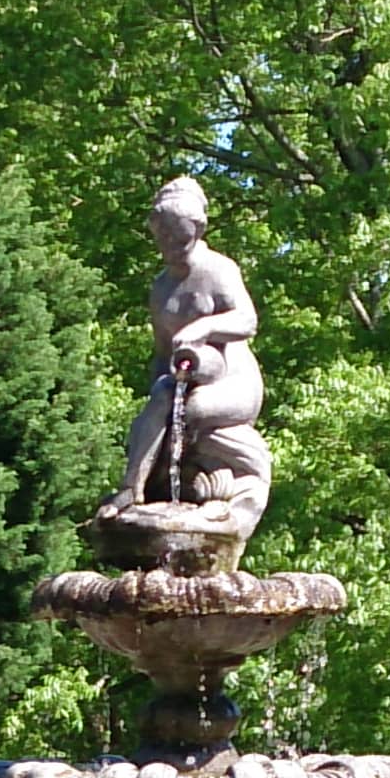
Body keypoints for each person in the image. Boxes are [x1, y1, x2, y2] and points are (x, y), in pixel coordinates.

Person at [120, 174, 269, 525]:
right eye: (164, 232)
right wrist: (152, 407)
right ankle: (132, 489)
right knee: (160, 400)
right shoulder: (161, 287)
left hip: (232, 382)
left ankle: (218, 489)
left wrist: (204, 327)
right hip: (184, 375)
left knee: (196, 408)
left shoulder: (217, 270)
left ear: (197, 228)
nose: (170, 240)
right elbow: (160, 352)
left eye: (178, 230)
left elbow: (247, 320)